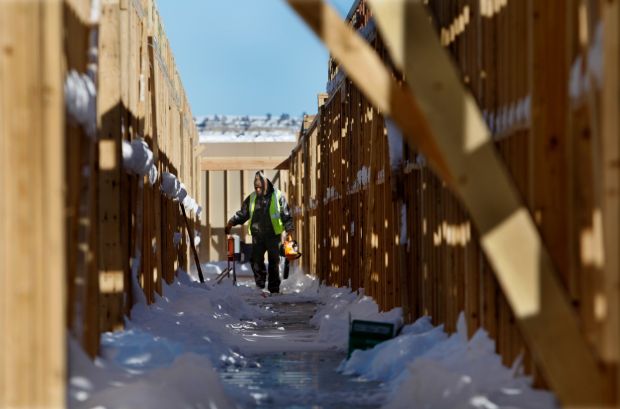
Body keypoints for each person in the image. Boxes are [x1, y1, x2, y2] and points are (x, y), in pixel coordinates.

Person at [225, 171, 294, 293]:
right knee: (256, 260)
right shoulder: (252, 198)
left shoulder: (278, 196)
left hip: (274, 235)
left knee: (274, 262)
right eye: (255, 187)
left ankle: (274, 288)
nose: (257, 190)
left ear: (265, 185)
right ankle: (260, 285)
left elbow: (286, 215)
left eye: (259, 188)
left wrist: (289, 231)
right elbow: (243, 214)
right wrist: (231, 222)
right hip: (258, 236)